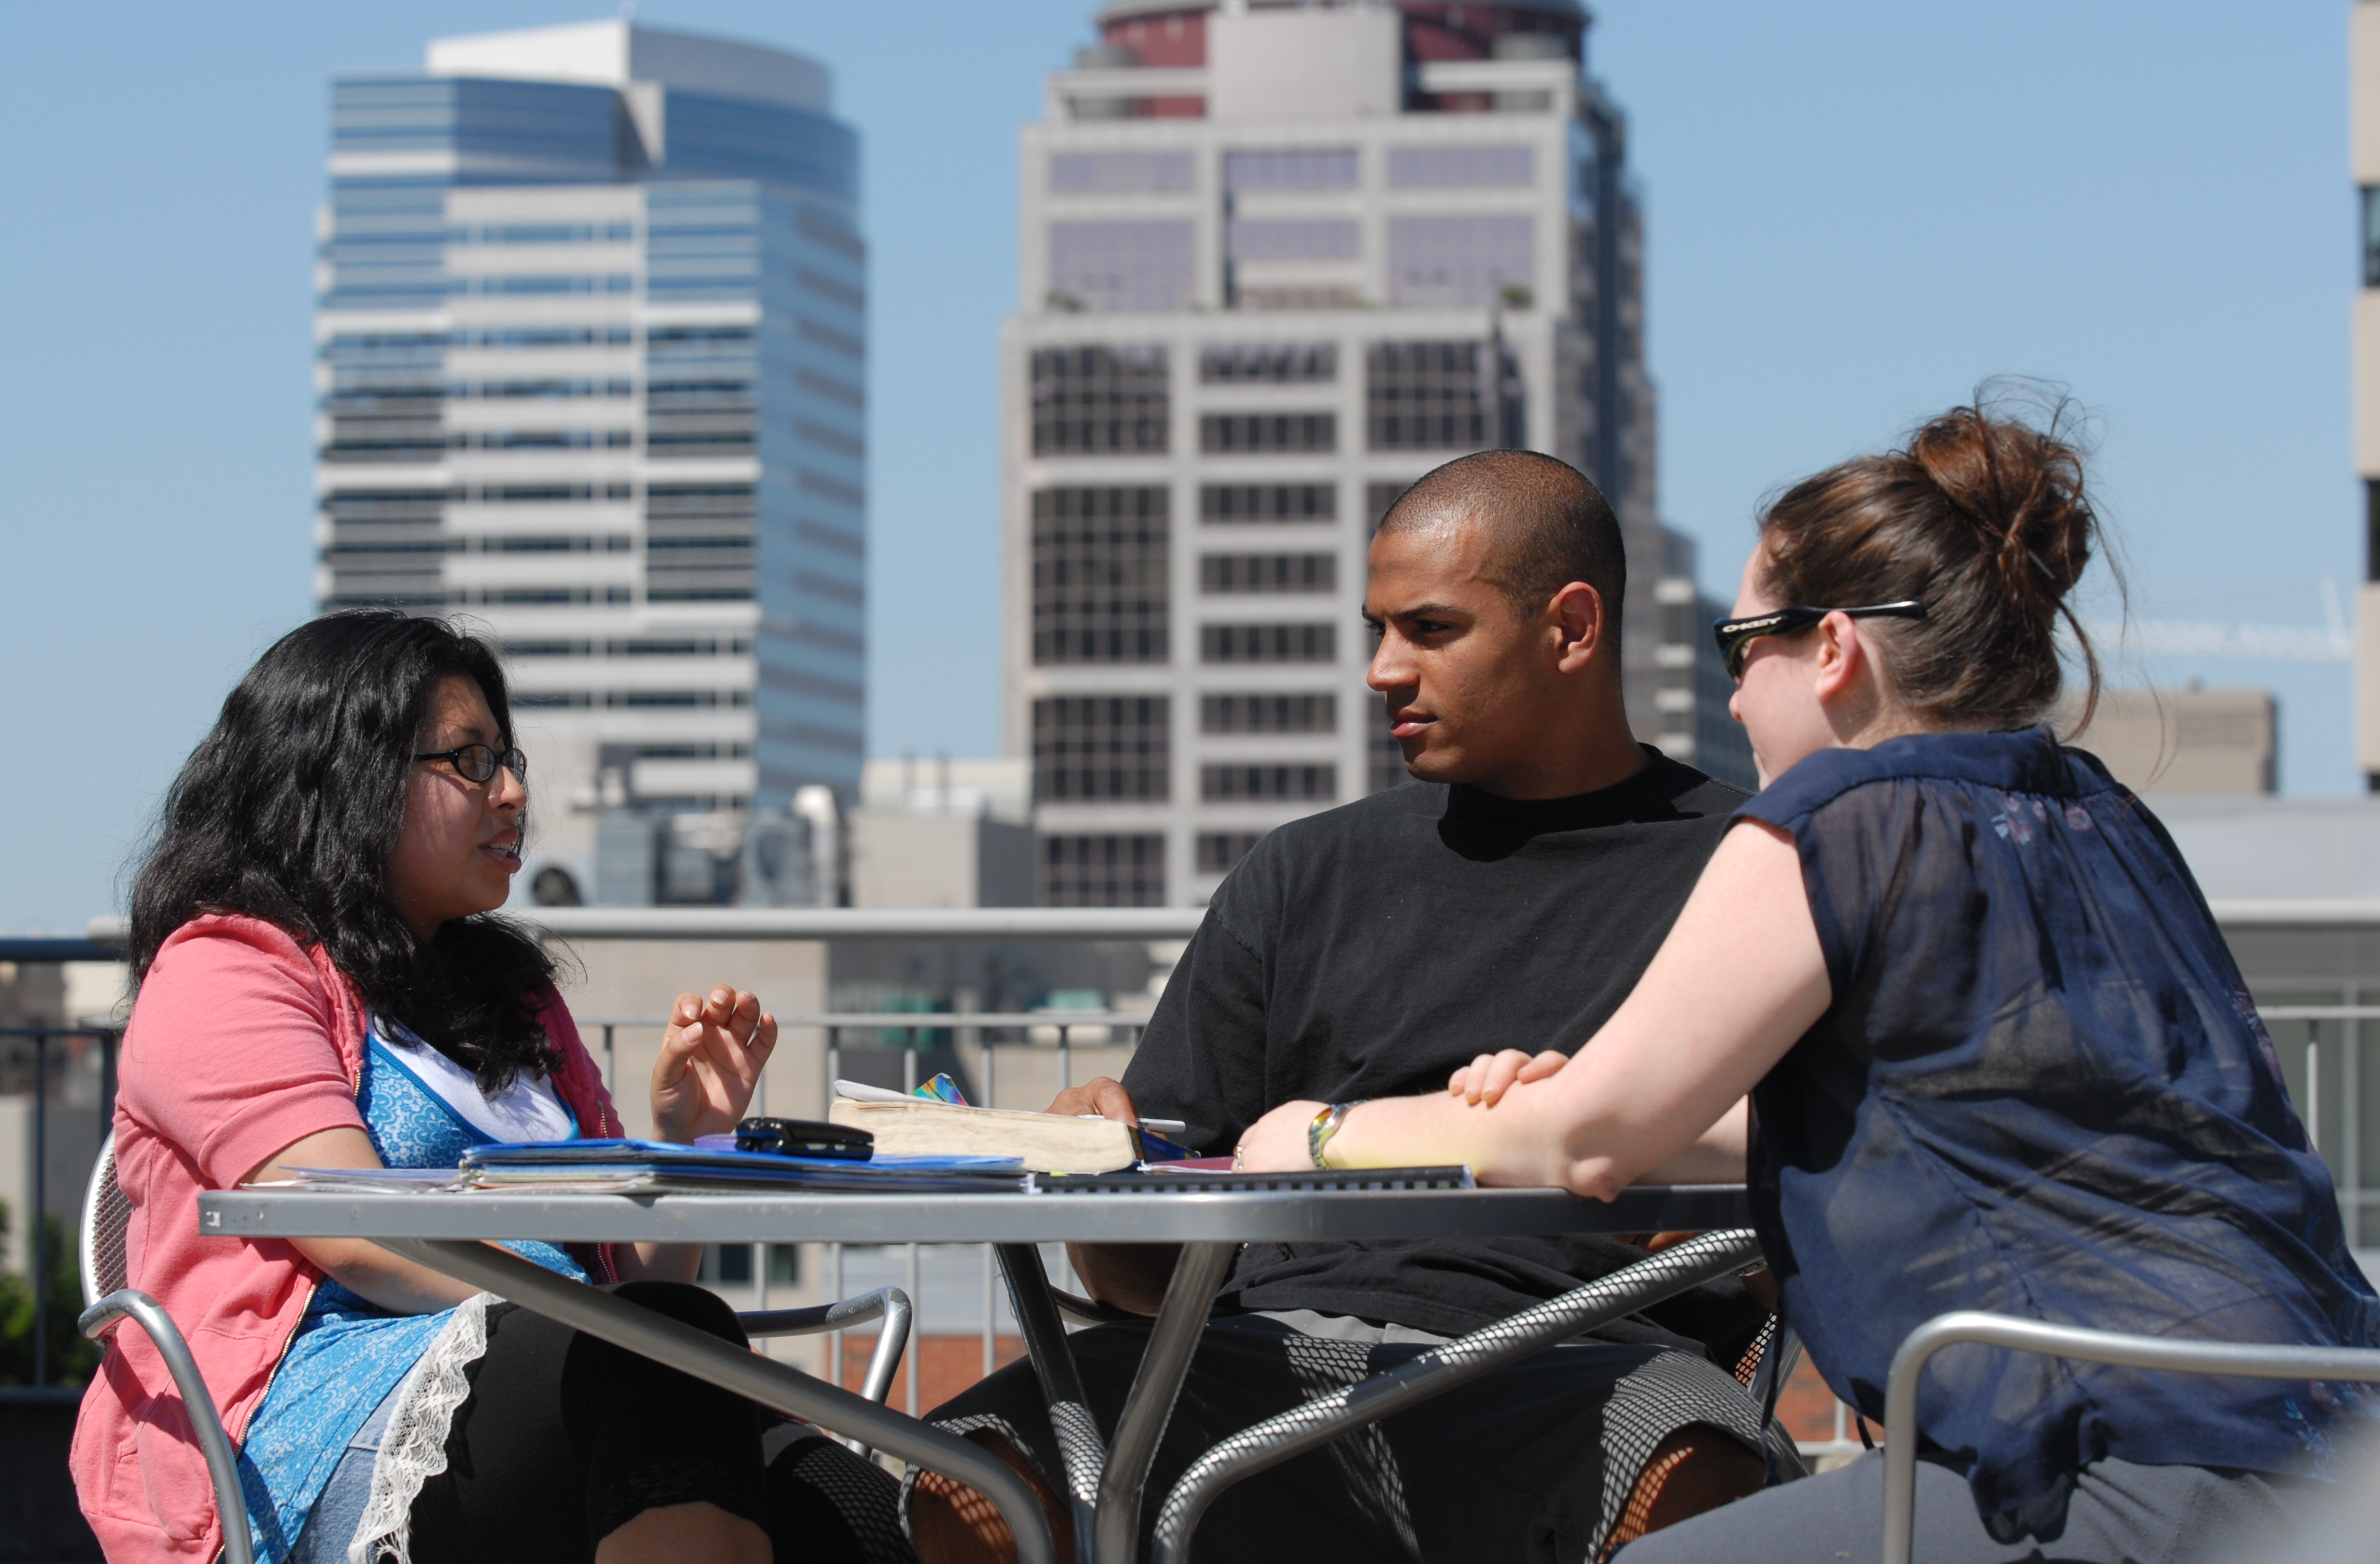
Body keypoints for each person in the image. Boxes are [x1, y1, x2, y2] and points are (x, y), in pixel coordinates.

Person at [1234, 400, 2380, 1562]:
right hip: (2325, 1437)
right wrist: (1572, 1106)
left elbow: (1586, 1143)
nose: (1732, 697)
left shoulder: (1834, 819)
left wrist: (1322, 1135)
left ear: (1831, 648)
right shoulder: (2092, 810)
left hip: (2113, 1459)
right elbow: (1945, 1119)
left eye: (1744, 649)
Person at [910, 450, 1792, 1564]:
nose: (1382, 670)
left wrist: (1728, 1221)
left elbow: (1804, 1203)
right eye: (1375, 630)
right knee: (974, 1476)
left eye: (1428, 631)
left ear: (1570, 630)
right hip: (1263, 1357)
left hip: (1576, 1361)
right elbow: (1136, 1285)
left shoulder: (1749, 871)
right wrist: (1100, 1177)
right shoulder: (1303, 876)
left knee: (1701, 1479)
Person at [71, 611, 913, 1564]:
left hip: (594, 1375)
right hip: (332, 1412)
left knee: (863, 1519)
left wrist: (696, 1140)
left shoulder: (518, 1001)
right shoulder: (230, 969)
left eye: (507, 760)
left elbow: (632, 1280)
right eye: (470, 762)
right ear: (348, 773)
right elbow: (356, 1233)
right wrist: (610, 1321)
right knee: (667, 1359)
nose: (512, 794)